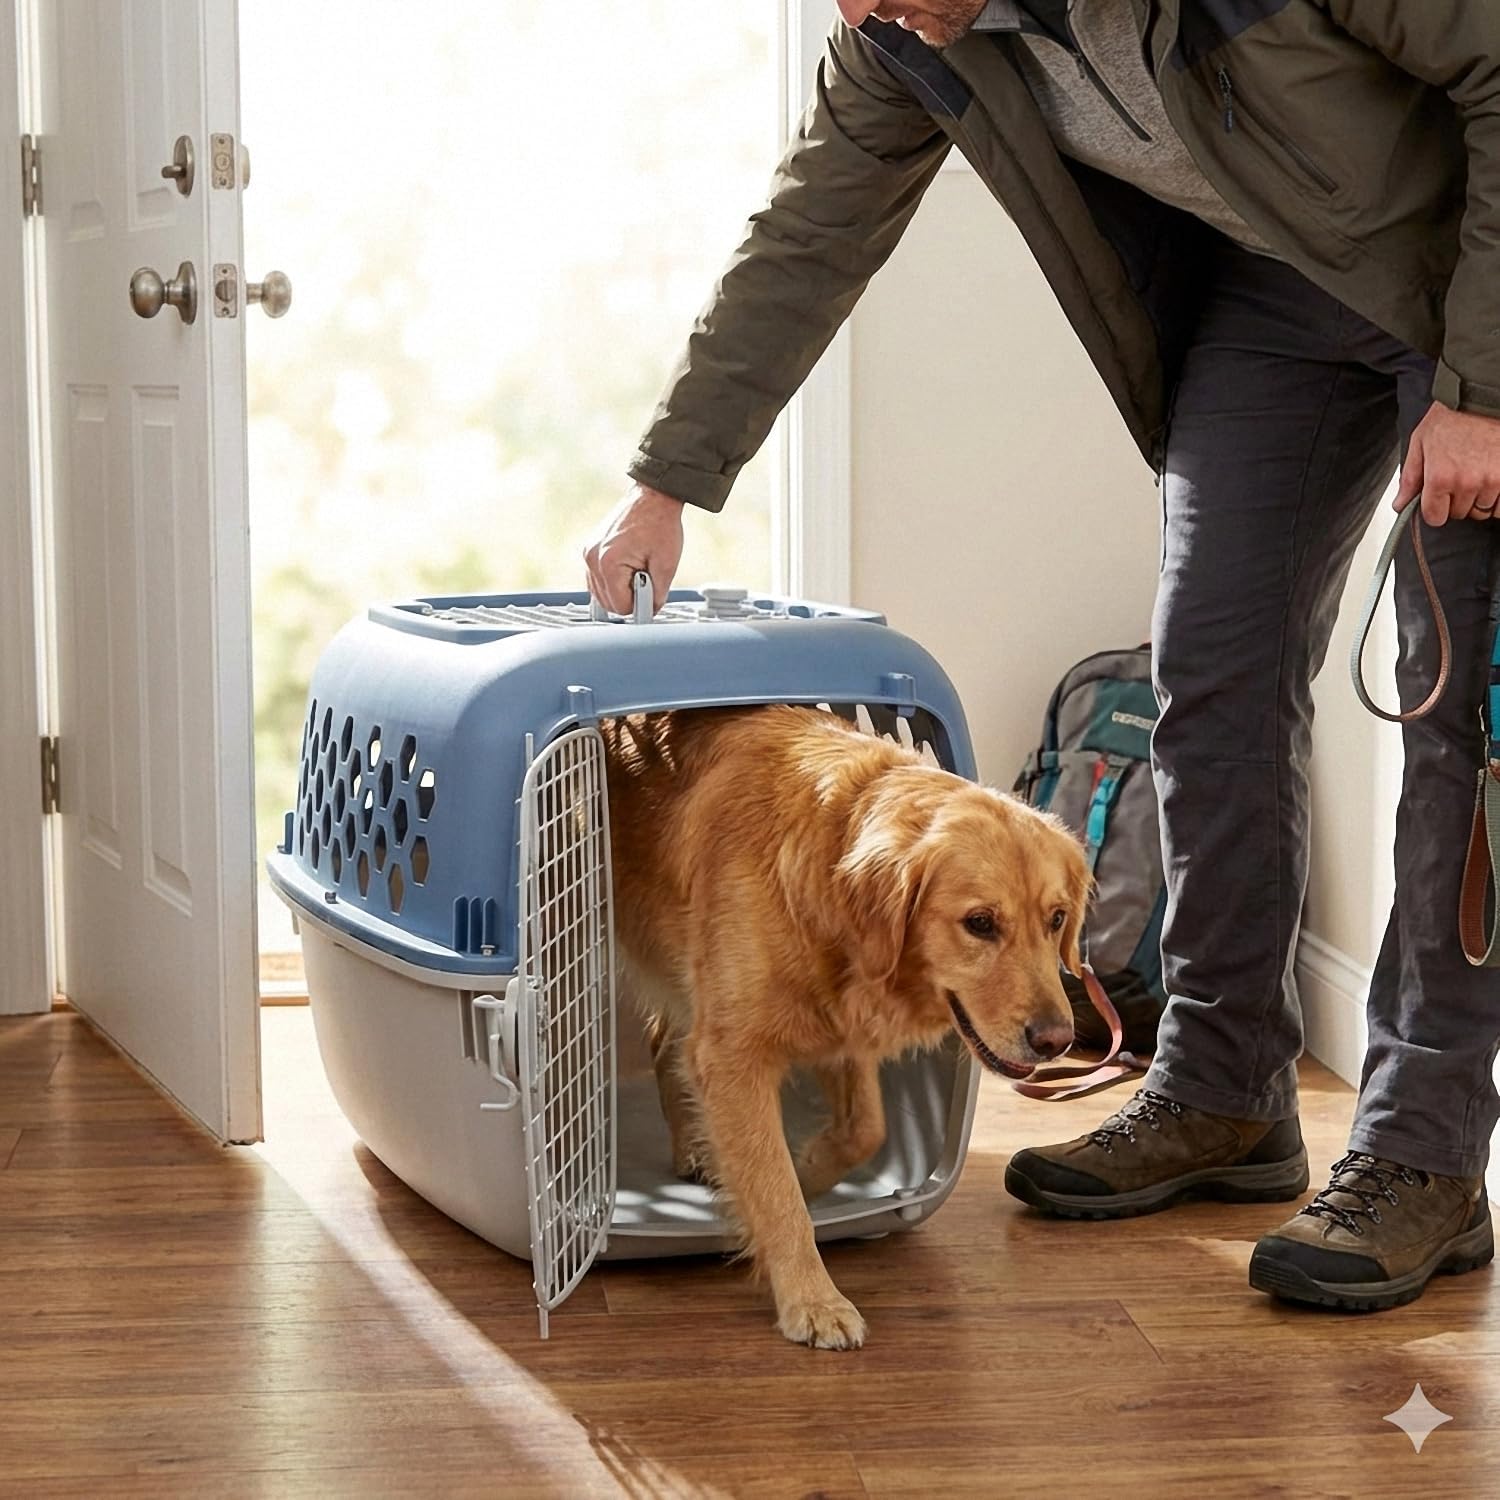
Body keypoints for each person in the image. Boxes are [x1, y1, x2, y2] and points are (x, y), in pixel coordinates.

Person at [582, 1, 1500, 1310]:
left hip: (1465, 278)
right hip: (1275, 299)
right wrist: (667, 481)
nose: (856, 10)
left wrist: (1486, 384)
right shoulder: (908, 30)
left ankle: (1426, 1156)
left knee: (1456, 718)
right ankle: (1226, 1088)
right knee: (1211, 684)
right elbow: (809, 232)